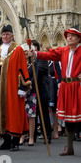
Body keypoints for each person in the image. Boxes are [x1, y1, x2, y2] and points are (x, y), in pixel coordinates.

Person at [26, 28, 81, 156]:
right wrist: (35, 53)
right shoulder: (63, 51)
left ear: (78, 39)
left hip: (78, 86)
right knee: (68, 118)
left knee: (78, 116)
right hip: (66, 87)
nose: (70, 38)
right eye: (68, 36)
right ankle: (69, 147)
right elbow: (48, 55)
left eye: (73, 36)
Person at [0, 25, 31, 153]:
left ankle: (15, 142)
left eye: (7, 34)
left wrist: (23, 87)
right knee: (2, 114)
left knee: (14, 113)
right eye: (3, 34)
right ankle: (6, 141)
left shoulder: (17, 50)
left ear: (12, 36)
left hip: (13, 88)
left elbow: (22, 68)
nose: (5, 37)